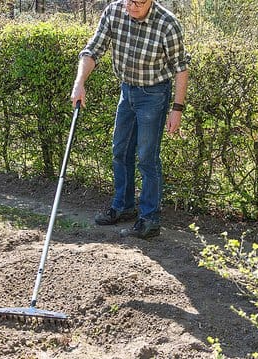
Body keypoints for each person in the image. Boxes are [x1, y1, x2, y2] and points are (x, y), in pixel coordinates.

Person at [71, 0, 189, 239]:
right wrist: (79, 82)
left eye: (139, 2)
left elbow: (181, 68)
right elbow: (92, 50)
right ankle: (123, 206)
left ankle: (149, 219)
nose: (132, 6)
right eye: (129, 0)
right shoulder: (114, 12)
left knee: (147, 157)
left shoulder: (167, 24)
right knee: (120, 150)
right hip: (127, 90)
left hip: (154, 94)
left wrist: (177, 108)